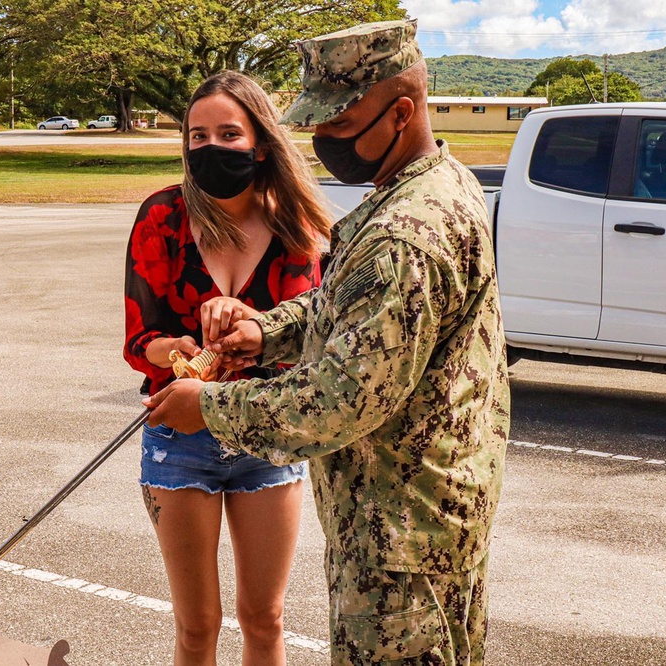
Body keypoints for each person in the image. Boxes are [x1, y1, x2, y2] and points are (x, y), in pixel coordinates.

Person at [143, 20, 511, 666]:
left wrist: (208, 407)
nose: (322, 139)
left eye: (340, 125)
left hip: (402, 542)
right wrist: (268, 329)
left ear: (403, 112)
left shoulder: (406, 231)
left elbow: (338, 401)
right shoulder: (432, 187)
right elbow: (355, 307)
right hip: (415, 520)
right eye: (315, 122)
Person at [122, 70, 333, 665]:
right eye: (196, 135)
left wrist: (250, 321)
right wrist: (178, 351)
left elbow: (313, 347)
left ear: (260, 142)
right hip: (180, 436)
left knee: (264, 619)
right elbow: (139, 340)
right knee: (197, 627)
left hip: (266, 437)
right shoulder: (162, 216)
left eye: (228, 133)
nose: (209, 147)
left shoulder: (301, 228)